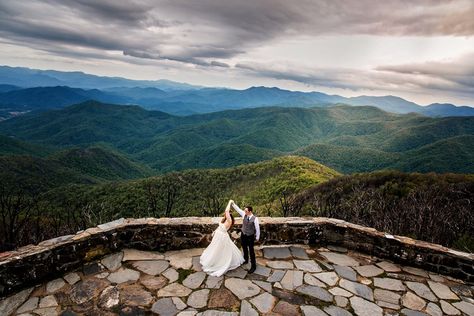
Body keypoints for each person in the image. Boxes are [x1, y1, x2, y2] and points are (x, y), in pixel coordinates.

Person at [200, 200, 245, 277]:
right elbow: (220, 226)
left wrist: (230, 202)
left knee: (219, 250)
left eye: (226, 214)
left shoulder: (229, 220)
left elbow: (226, 210)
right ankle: (216, 260)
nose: (225, 214)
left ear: (229, 215)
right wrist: (214, 232)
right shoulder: (225, 219)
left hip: (222, 237)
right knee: (216, 249)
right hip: (219, 235)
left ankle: (219, 262)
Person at [230, 200, 260, 274]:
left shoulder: (255, 219)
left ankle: (253, 266)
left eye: (246, 211)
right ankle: (246, 260)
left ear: (250, 211)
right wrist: (233, 204)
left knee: (251, 251)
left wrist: (257, 237)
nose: (244, 211)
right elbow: (238, 210)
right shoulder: (244, 215)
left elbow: (257, 228)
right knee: (244, 247)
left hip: (250, 236)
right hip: (243, 235)